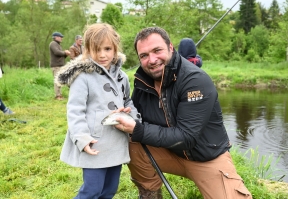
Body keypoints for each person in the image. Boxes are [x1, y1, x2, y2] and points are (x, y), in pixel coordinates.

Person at [114, 27, 252, 199]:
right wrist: (127, 114)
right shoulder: (142, 82)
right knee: (131, 143)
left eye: (157, 50)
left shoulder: (194, 80)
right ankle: (149, 193)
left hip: (208, 158)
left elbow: (186, 137)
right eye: (144, 55)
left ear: (171, 47)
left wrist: (138, 129)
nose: (152, 60)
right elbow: (138, 115)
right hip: (170, 153)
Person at [55, 23, 141, 199]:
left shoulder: (122, 76)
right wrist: (82, 139)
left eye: (108, 49)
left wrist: (130, 115)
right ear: (87, 49)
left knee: (109, 190)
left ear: (115, 48)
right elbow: (75, 110)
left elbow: (128, 100)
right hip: (94, 143)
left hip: (116, 142)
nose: (102, 55)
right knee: (92, 190)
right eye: (96, 49)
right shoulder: (83, 77)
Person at [49, 32, 70, 100]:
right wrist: (65, 52)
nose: (61, 38)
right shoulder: (53, 44)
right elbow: (56, 52)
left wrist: (66, 54)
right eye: (60, 37)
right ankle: (57, 96)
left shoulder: (58, 45)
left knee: (62, 80)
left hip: (60, 66)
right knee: (57, 81)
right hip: (56, 66)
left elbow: (61, 57)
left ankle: (60, 95)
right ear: (56, 37)